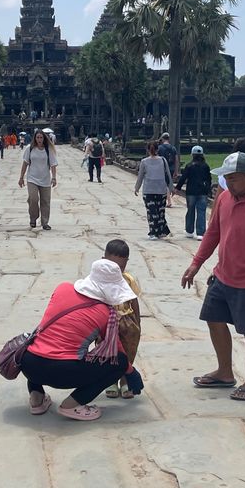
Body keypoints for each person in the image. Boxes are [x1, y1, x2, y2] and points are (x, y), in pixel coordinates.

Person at [183, 152, 245, 401]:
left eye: (235, 179)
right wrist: (196, 264)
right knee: (213, 319)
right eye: (226, 178)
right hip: (222, 276)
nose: (229, 183)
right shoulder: (225, 198)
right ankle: (225, 371)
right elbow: (213, 233)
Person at [21, 259, 133, 421]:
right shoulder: (106, 313)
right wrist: (129, 371)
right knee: (120, 362)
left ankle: (37, 399)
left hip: (28, 364)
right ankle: (72, 405)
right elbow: (115, 350)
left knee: (38, 344)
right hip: (63, 372)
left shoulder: (62, 288)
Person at [102, 239, 144, 400]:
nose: (117, 271)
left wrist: (138, 323)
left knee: (128, 351)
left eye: (121, 267)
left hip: (127, 321)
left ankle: (125, 379)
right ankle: (111, 380)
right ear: (103, 260)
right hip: (106, 322)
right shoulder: (100, 279)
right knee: (108, 352)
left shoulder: (128, 280)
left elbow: (134, 301)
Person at [18, 128, 57, 230]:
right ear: (35, 138)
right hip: (32, 178)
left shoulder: (49, 150)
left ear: (44, 138)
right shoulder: (29, 148)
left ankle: (45, 222)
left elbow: (53, 165)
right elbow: (25, 163)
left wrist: (54, 178)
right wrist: (21, 177)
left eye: (41, 137)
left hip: (45, 179)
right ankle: (33, 218)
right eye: (38, 137)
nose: (39, 139)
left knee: (45, 201)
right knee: (33, 199)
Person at [133, 141, 172, 239]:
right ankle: (161, 230)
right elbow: (168, 175)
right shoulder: (163, 160)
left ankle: (154, 232)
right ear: (157, 149)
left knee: (151, 212)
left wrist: (137, 188)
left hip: (148, 190)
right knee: (160, 212)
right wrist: (171, 188)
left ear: (147, 150)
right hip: (161, 190)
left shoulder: (144, 162)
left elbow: (140, 176)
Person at [175, 145, 212, 239]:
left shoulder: (189, 166)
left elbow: (183, 178)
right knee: (201, 211)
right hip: (202, 191)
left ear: (192, 154)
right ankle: (200, 233)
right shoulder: (205, 166)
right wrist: (208, 189)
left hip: (191, 191)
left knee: (190, 210)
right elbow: (209, 179)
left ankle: (189, 230)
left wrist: (177, 188)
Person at [158, 132, 178, 206]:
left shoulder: (160, 148)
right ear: (169, 139)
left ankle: (168, 201)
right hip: (171, 168)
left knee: (165, 184)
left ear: (162, 139)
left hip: (162, 168)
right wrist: (176, 170)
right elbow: (176, 160)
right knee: (168, 183)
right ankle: (167, 197)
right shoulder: (173, 148)